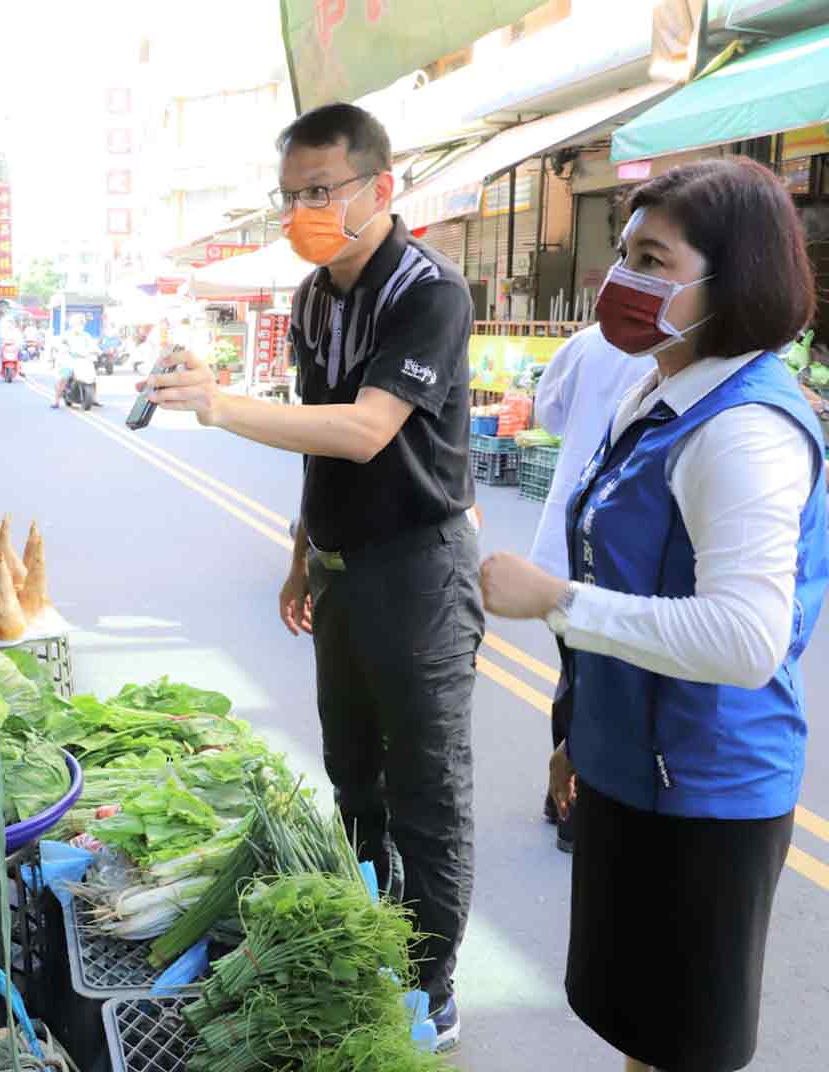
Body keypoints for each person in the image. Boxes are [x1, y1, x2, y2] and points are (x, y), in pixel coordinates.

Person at [145, 102, 480, 1052]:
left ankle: (431, 984)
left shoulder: (428, 292)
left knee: (427, 791)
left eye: (321, 191)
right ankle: (375, 938)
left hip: (419, 572)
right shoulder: (312, 298)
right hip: (342, 571)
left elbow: (367, 429)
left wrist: (217, 403)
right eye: (290, 196)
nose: (303, 210)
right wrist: (301, 553)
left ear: (381, 186)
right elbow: (323, 447)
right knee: (352, 777)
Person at [479, 158, 825, 1072]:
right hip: (634, 765)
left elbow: (746, 641)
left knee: (681, 1045)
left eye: (654, 259)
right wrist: (586, 731)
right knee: (638, 1027)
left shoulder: (744, 429)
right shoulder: (661, 384)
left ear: (734, 277)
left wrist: (556, 600)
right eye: (625, 253)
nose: (622, 279)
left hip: (704, 790)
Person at [525, 322, 643, 851]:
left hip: (564, 541)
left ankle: (563, 801)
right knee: (600, 684)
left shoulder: (588, 340)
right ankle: (578, 809)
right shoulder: (681, 351)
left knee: (575, 677)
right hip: (614, 550)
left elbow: (546, 413)